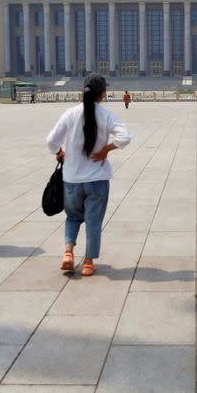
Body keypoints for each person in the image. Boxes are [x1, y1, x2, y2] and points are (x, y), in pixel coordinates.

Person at [47, 74, 131, 276]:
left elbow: (51, 141)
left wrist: (60, 153)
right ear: (103, 94)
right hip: (97, 179)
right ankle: (88, 263)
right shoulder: (107, 115)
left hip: (72, 179)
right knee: (93, 222)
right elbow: (125, 137)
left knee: (73, 217)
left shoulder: (70, 114)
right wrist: (106, 150)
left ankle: (68, 253)